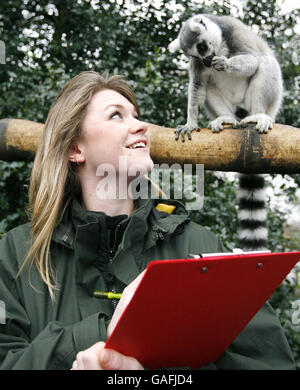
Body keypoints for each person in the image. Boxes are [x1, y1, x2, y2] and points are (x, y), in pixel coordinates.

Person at [0, 71, 296, 370]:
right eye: (116, 116)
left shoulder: (197, 246)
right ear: (75, 149)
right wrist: (100, 334)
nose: (142, 125)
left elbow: (271, 363)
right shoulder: (18, 254)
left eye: (136, 115)